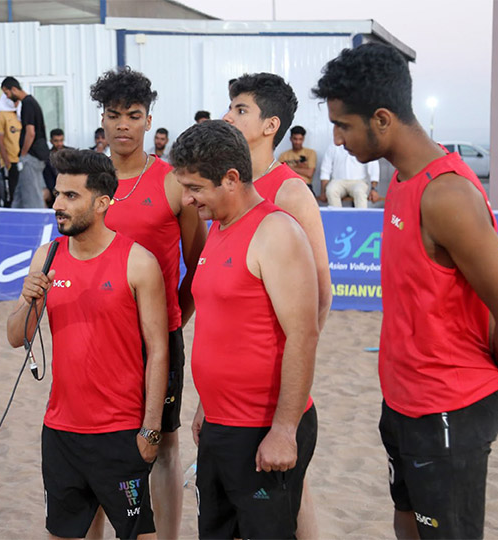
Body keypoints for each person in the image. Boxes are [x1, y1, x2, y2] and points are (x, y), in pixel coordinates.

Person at [312, 43, 498, 539]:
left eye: (343, 125)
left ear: (382, 119)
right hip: (403, 401)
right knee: (408, 522)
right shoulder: (403, 178)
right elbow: (466, 303)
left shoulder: (447, 195)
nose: (337, 139)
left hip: (448, 409)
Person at [6, 148, 168, 539]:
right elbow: (15, 337)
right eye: (57, 193)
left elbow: (159, 351)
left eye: (70, 196)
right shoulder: (46, 257)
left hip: (119, 432)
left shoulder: (138, 262)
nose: (57, 205)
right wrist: (29, 299)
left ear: (101, 203)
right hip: (60, 430)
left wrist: (151, 430)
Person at [171, 120, 319, 539]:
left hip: (262, 426)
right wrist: (207, 404)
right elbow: (224, 326)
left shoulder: (276, 231)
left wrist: (284, 430)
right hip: (221, 423)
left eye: (195, 188)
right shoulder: (219, 227)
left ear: (231, 179)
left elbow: (303, 335)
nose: (187, 199)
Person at [89, 67, 207, 539]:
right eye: (114, 114)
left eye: (133, 115)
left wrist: (173, 316)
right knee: (96, 445)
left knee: (163, 446)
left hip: (158, 339)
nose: (123, 125)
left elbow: (198, 262)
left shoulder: (171, 182)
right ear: (102, 118)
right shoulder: (87, 179)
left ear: (148, 120)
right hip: (98, 336)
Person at [224, 72, 331, 539]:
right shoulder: (227, 187)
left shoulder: (290, 192)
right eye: (230, 107)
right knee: (281, 494)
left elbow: (321, 293)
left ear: (271, 125)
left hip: (274, 376)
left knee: (291, 489)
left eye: (240, 109)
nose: (228, 116)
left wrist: (295, 367)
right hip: (230, 379)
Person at [0, 77, 48, 208]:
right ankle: (14, 217)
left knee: (32, 197)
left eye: (7, 93)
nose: (7, 97)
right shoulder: (30, 103)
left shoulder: (28, 104)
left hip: (31, 157)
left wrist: (24, 154)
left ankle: (35, 220)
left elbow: (30, 132)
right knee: (19, 195)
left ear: (14, 89)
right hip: (33, 156)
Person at [319, 142, 380, 208]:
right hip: (338, 181)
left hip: (359, 182)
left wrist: (374, 189)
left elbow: (374, 168)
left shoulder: (364, 144)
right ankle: (337, 214)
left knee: (359, 192)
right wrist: (323, 192)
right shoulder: (334, 146)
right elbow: (325, 169)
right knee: (331, 191)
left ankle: (362, 215)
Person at [0, 94, 21, 206]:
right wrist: (6, 162)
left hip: (21, 161)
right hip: (9, 161)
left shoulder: (19, 114)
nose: (16, 102)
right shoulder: (0, 115)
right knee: (10, 195)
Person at [278, 125, 317, 192]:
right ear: (291, 139)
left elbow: (309, 173)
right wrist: (301, 168)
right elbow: (280, 174)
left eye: (300, 139)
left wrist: (288, 167)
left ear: (303, 139)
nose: (297, 142)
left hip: (305, 185)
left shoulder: (310, 153)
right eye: (295, 139)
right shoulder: (283, 155)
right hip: (288, 186)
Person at [43, 128, 72, 207]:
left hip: (70, 186)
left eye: (61, 140)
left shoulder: (71, 153)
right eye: (56, 141)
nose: (59, 143)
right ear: (51, 141)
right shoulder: (47, 156)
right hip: (53, 188)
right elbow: (47, 177)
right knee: (42, 195)